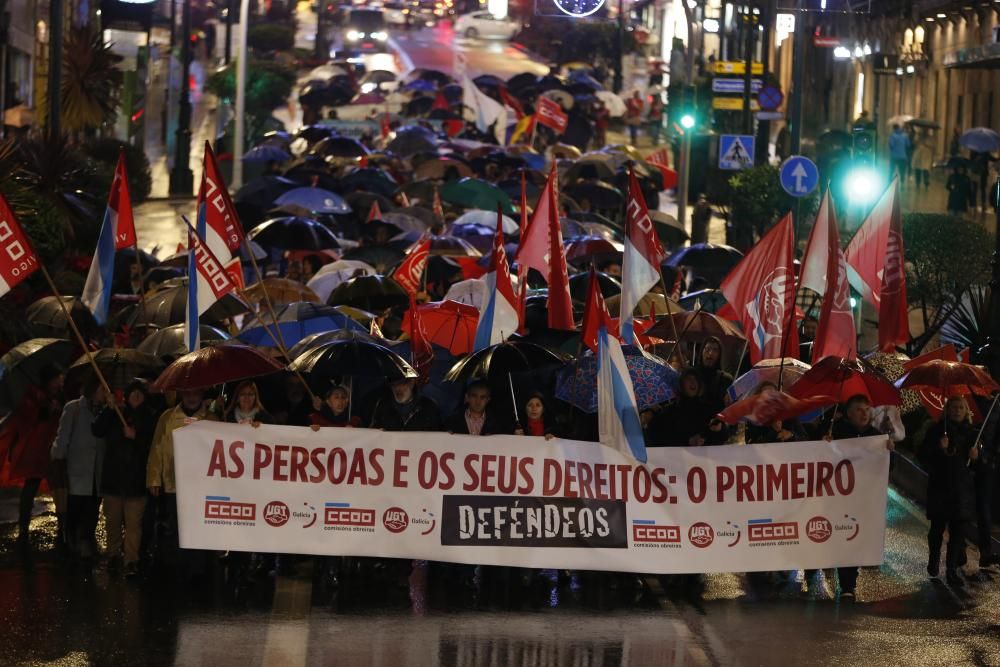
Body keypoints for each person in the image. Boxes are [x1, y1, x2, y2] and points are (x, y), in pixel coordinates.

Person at [826, 394, 894, 599]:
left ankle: (848, 584)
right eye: (858, 409)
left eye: (867, 409)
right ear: (848, 413)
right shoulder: (836, 432)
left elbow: (889, 469)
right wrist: (823, 444)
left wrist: (891, 452)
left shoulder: (876, 436)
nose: (864, 413)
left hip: (862, 498)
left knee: (852, 536)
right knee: (837, 535)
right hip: (836, 497)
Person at [92, 379, 157, 577]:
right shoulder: (115, 414)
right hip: (114, 480)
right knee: (112, 521)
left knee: (133, 526)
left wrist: (135, 437)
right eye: (133, 393)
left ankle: (131, 560)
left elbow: (152, 447)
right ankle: (113, 555)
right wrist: (108, 409)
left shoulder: (150, 417)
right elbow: (97, 430)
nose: (136, 396)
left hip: (136, 482)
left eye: (140, 393)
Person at [147, 388, 216, 565]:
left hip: (201, 485)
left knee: (197, 526)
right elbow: (157, 447)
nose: (192, 397)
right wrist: (154, 478)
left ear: (201, 395)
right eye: (188, 393)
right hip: (173, 482)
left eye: (195, 393)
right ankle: (176, 565)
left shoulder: (212, 419)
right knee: (175, 526)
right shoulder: (167, 417)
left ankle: (196, 566)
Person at [2, 365, 65, 547]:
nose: (60, 381)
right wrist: (46, 409)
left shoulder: (60, 396)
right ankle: (23, 527)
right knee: (30, 488)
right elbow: (28, 418)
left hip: (55, 447)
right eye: (57, 378)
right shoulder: (34, 397)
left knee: (59, 489)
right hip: (37, 450)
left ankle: (64, 527)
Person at [919, 396, 979, 586]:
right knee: (937, 528)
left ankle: (951, 569)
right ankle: (934, 560)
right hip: (940, 487)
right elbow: (923, 456)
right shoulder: (937, 431)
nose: (957, 411)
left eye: (961, 407)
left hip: (961, 490)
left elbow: (980, 466)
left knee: (957, 531)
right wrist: (939, 448)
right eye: (953, 407)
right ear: (947, 410)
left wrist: (976, 456)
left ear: (966, 410)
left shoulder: (973, 434)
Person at [50, 380, 108, 561]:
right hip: (78, 468)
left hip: (97, 469)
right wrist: (58, 456)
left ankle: (85, 541)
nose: (105, 392)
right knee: (75, 506)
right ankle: (72, 540)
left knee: (93, 507)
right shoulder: (73, 408)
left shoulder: (107, 410)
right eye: (102, 389)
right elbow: (63, 436)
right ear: (92, 390)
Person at [648, 370, 726, 447]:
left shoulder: (707, 409)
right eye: (688, 379)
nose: (693, 382)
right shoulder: (670, 411)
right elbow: (658, 437)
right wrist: (687, 441)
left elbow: (720, 440)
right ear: (681, 383)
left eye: (695, 379)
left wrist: (718, 431)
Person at [973, 393, 1000, 568]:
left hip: (985, 462)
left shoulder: (995, 405)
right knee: (960, 508)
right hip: (963, 462)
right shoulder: (966, 401)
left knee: (984, 507)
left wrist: (990, 455)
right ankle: (958, 551)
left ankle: (985, 552)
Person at [369, 377, 443, 431]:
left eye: (402, 383)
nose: (397, 388)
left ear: (412, 382)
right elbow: (373, 431)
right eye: (394, 384)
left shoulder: (429, 407)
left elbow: (438, 437)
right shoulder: (383, 405)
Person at [695, 336, 733, 413]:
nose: (710, 353)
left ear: (719, 355)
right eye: (707, 349)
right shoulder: (692, 375)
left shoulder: (725, 379)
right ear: (702, 351)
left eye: (715, 350)